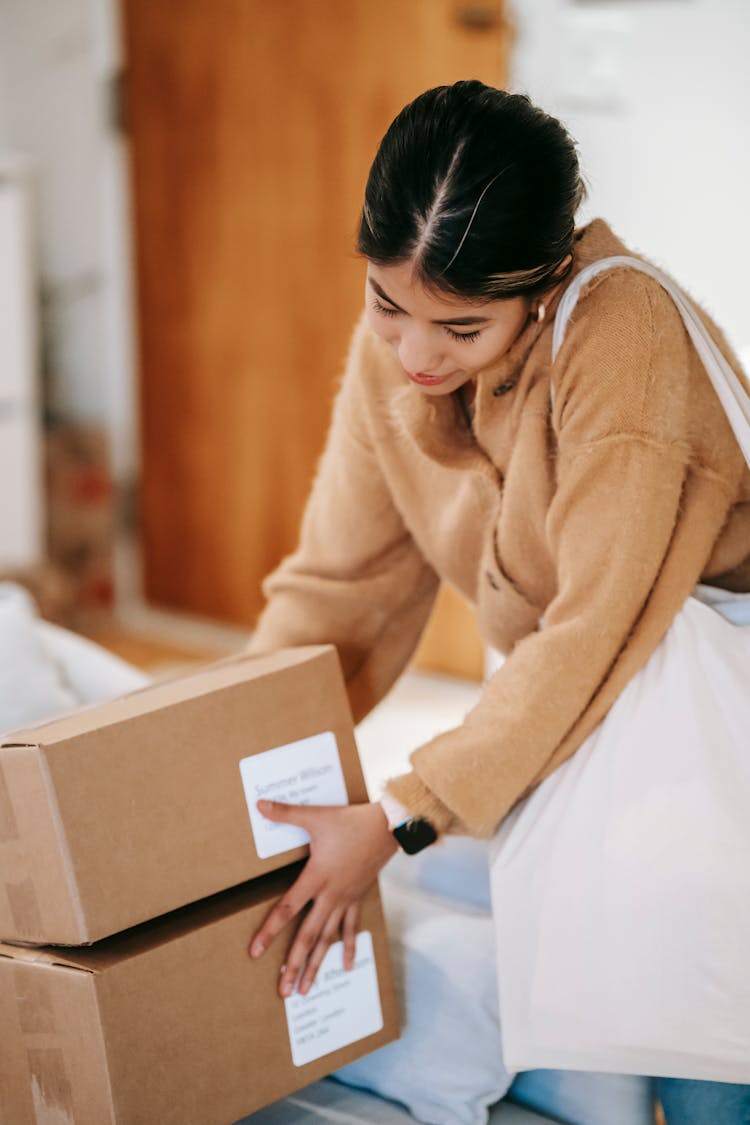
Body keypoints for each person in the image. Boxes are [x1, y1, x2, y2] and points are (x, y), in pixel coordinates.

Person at [245, 81, 750, 1123]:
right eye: (389, 305)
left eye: (461, 328)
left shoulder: (623, 334)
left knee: (700, 1003)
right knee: (597, 996)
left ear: (545, 282)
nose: (417, 356)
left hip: (696, 695)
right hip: (596, 691)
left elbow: (599, 630)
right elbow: (340, 587)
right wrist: (226, 755)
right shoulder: (397, 350)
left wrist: (396, 818)